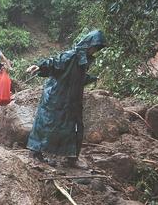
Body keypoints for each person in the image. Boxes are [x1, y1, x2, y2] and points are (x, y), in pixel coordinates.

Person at [26, 30, 106, 167]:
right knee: (47, 124)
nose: (94, 51)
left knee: (74, 127)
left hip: (72, 99)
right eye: (94, 47)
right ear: (88, 44)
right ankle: (35, 152)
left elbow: (77, 79)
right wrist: (39, 66)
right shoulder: (71, 56)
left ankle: (71, 158)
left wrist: (94, 78)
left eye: (96, 49)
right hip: (56, 97)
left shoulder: (83, 60)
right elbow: (53, 63)